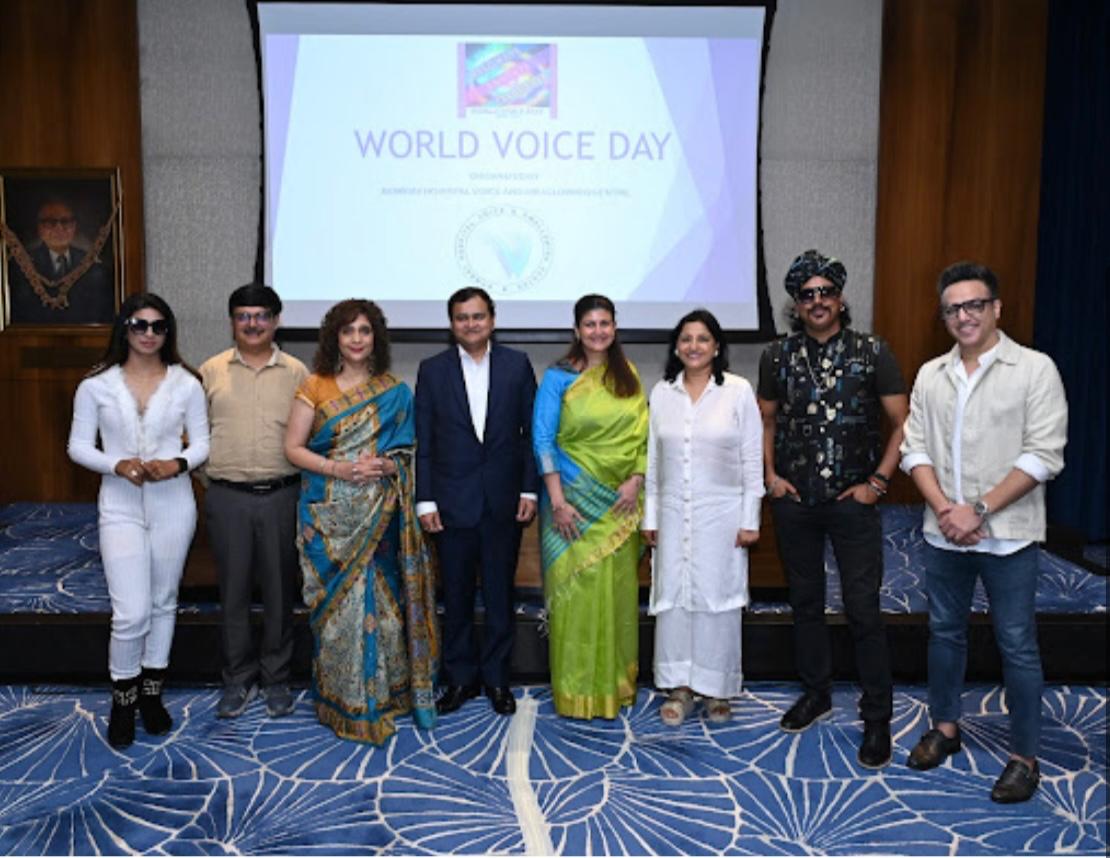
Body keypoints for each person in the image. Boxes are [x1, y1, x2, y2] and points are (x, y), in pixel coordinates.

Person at [901, 262, 1067, 803]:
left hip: (1009, 535)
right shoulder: (931, 374)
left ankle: (1024, 757)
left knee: (1016, 644)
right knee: (944, 634)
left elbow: (1044, 455)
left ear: (996, 308)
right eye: (953, 308)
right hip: (943, 532)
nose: (964, 316)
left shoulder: (1035, 370)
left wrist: (977, 510)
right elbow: (914, 450)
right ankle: (945, 727)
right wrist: (946, 510)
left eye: (974, 304)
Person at [757, 249, 908, 769]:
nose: (817, 301)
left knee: (863, 609)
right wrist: (771, 477)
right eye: (807, 294)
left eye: (826, 292)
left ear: (841, 299)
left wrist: (879, 482)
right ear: (796, 305)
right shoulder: (777, 356)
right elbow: (767, 420)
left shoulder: (872, 351)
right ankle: (816, 692)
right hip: (795, 501)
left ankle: (877, 716)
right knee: (805, 602)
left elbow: (903, 422)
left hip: (853, 501)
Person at [284, 299, 438, 743]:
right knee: (339, 613)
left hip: (380, 516)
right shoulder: (314, 386)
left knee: (383, 605)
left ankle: (385, 695)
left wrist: (390, 466)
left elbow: (407, 452)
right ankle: (343, 700)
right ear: (334, 337)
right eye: (348, 330)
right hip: (329, 520)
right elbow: (292, 449)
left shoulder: (396, 392)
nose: (356, 339)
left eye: (365, 331)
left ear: (376, 338)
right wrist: (340, 469)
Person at [67, 293, 210, 748]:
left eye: (158, 326)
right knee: (130, 611)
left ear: (168, 332)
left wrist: (177, 464)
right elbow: (77, 446)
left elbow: (202, 443)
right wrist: (117, 464)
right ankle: (123, 700)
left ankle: (152, 694)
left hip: (174, 502)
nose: (149, 334)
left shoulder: (187, 383)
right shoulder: (96, 384)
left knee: (163, 601)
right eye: (139, 324)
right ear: (124, 328)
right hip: (119, 504)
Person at [415, 287, 538, 717]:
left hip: (503, 503)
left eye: (478, 316)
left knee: (500, 597)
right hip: (451, 504)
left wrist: (529, 490)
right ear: (452, 324)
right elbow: (425, 441)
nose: (471, 324)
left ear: (492, 320)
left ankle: (498, 680)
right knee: (457, 598)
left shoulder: (517, 365)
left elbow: (530, 435)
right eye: (462, 317)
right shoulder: (432, 370)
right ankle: (460, 679)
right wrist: (425, 500)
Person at [641, 309, 763, 725]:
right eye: (686, 339)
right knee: (675, 598)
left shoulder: (738, 391)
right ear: (676, 347)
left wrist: (750, 519)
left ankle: (717, 688)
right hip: (673, 514)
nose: (694, 346)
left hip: (722, 517)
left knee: (717, 601)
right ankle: (679, 687)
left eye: (703, 339)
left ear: (716, 347)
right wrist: (650, 517)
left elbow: (751, 459)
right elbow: (653, 462)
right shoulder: (662, 393)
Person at [533, 294, 648, 719]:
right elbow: (543, 440)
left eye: (604, 323)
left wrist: (636, 479)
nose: (598, 331)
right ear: (577, 330)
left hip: (619, 505)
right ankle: (576, 692)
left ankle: (615, 687)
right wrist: (558, 501)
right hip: (571, 506)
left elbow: (643, 436)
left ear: (614, 328)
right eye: (589, 324)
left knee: (617, 598)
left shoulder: (628, 376)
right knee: (576, 601)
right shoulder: (558, 378)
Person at [199, 284, 308, 719]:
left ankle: (276, 679)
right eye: (243, 316)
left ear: (276, 321)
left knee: (281, 593)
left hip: (282, 495)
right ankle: (238, 678)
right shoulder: (211, 371)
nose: (252, 324)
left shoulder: (298, 373)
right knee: (234, 593)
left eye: (261, 316)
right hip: (228, 497)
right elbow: (195, 433)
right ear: (232, 322)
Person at [8, 197, 114, 325]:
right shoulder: (19, 267)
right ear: (39, 227)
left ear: (74, 226)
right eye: (50, 222)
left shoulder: (94, 267)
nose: (59, 228)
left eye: (66, 221)